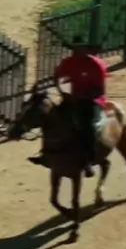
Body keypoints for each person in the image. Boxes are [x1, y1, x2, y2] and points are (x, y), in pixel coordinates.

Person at [32, 35, 108, 177]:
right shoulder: (67, 62)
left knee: (86, 126)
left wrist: (83, 98)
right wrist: (63, 92)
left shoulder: (96, 65)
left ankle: (88, 160)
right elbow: (58, 78)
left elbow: (100, 90)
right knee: (52, 119)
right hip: (72, 98)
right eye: (74, 48)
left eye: (79, 48)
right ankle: (46, 153)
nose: (76, 51)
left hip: (93, 101)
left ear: (86, 49)